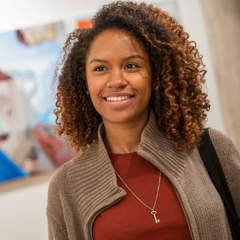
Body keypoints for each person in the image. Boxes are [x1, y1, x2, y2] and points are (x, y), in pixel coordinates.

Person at [47, 1, 240, 239]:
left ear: (156, 75)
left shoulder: (211, 150)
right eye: (100, 69)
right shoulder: (66, 186)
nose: (116, 80)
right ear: (84, 83)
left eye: (131, 65)